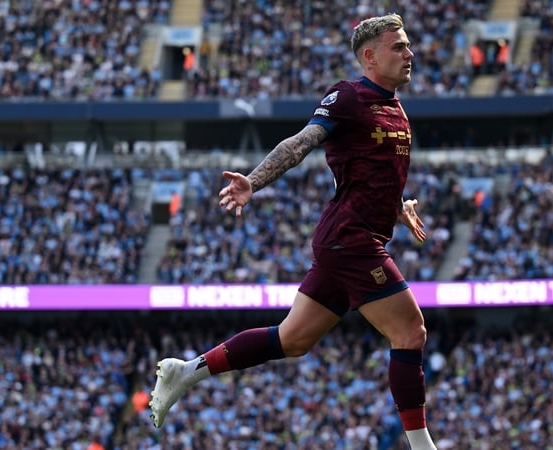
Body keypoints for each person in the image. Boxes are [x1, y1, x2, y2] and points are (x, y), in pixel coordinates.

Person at [148, 13, 438, 450]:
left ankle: (186, 371)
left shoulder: (396, 109)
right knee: (410, 331)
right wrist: (254, 181)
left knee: (293, 339)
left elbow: (367, 173)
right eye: (399, 47)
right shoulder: (348, 97)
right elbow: (301, 142)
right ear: (370, 56)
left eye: (408, 45)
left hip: (352, 240)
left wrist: (397, 207)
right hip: (350, 240)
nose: (409, 53)